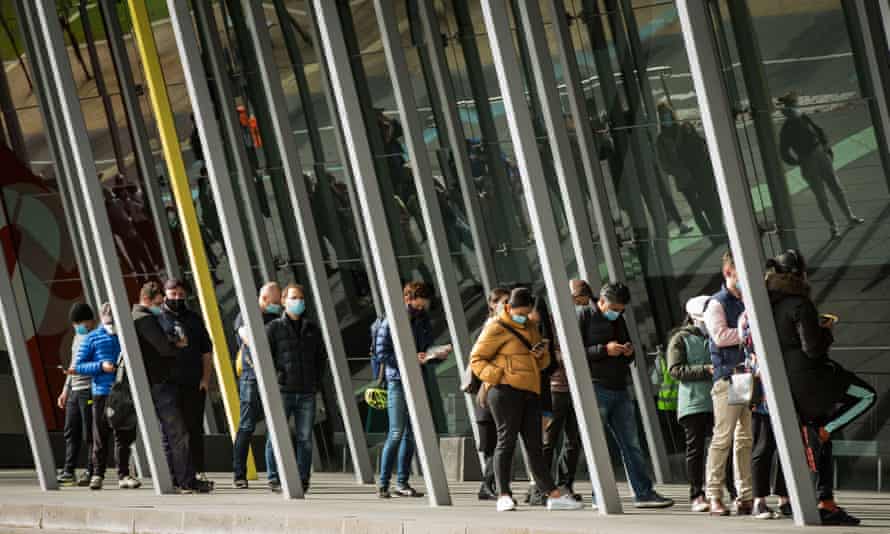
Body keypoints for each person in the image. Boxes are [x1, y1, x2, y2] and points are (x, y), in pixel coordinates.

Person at [765, 249, 875, 525]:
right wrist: (824, 329)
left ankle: (812, 501)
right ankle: (825, 433)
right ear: (799, 274)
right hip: (813, 379)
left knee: (811, 442)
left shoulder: (767, 303)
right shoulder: (800, 303)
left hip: (785, 384)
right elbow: (812, 349)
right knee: (866, 396)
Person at [470, 287, 583, 512]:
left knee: (535, 445)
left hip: (530, 391)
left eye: (527, 312)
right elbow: (477, 359)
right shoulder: (495, 326)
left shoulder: (531, 327)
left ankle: (552, 494)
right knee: (506, 441)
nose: (524, 315)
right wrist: (500, 376)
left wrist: (542, 356)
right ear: (509, 307)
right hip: (504, 392)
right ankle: (503, 494)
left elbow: (539, 364)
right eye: (520, 311)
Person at [580, 283, 674, 509]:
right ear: (601, 301)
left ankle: (643, 492)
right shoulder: (584, 315)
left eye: (620, 309)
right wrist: (605, 349)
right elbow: (576, 351)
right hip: (596, 387)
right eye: (613, 307)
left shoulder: (618, 319)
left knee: (631, 444)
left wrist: (627, 351)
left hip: (620, 387)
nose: (616, 312)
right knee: (598, 445)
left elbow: (628, 350)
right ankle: (599, 495)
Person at [132, 282, 212, 493]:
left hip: (167, 382)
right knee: (177, 434)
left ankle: (177, 479)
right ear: (149, 300)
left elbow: (206, 348)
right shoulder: (145, 319)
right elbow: (164, 348)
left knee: (173, 434)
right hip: (161, 383)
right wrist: (179, 344)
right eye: (161, 301)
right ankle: (185, 480)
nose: (164, 304)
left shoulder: (141, 316)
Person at [374, 281, 442, 499]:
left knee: (412, 434)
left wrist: (433, 355)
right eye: (423, 300)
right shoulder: (392, 318)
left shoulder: (422, 319)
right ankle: (383, 483)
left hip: (417, 379)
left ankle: (402, 482)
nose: (425, 305)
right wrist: (408, 360)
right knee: (396, 431)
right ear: (412, 297)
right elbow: (381, 352)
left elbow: (426, 347)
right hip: (397, 380)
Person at [667, 296, 735, 513]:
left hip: (719, 400)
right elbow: (675, 370)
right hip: (694, 403)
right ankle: (697, 494)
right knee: (695, 449)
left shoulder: (717, 335)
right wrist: (705, 369)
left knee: (725, 445)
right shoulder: (680, 339)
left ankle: (733, 490)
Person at [703, 251, 753, 515]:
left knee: (745, 438)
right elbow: (720, 337)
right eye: (739, 273)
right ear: (728, 273)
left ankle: (745, 496)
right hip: (728, 376)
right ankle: (714, 495)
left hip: (748, 376)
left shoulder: (749, 300)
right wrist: (749, 331)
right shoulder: (717, 303)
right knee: (723, 438)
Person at [264, 284, 326, 493]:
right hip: (283, 390)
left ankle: (303, 478)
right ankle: (274, 477)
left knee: (305, 438)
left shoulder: (312, 329)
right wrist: (276, 379)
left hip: (307, 391)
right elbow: (266, 358)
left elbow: (320, 359)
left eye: (300, 298)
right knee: (277, 435)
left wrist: (316, 382)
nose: (298, 301)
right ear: (283, 300)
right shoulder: (274, 328)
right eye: (293, 297)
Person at [778, 91, 864, 238]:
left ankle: (842, 222)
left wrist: (800, 160)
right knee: (827, 193)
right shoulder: (793, 124)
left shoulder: (794, 123)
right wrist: (824, 149)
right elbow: (786, 151)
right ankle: (841, 222)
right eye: (793, 104)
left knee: (829, 192)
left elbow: (786, 152)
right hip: (814, 155)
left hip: (813, 156)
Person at [72, 303, 139, 491]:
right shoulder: (92, 338)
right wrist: (101, 366)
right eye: (107, 314)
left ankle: (124, 474)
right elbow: (79, 366)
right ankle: (98, 474)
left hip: (124, 392)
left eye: (113, 314)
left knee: (124, 435)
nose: (110, 317)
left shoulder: (127, 336)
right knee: (100, 435)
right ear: (101, 316)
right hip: (101, 392)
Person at [158, 279, 213, 483]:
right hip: (168, 384)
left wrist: (205, 379)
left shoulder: (194, 319)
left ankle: (197, 471)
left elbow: (206, 351)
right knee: (170, 431)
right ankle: (172, 474)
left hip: (193, 383)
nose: (177, 298)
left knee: (194, 429)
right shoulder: (159, 319)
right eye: (173, 294)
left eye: (181, 294)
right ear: (165, 294)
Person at [737, 311, 789, 520]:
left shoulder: (756, 314)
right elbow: (751, 347)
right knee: (764, 444)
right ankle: (760, 500)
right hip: (762, 389)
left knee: (782, 445)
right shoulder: (751, 315)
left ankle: (784, 497)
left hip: (773, 387)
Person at [232, 282, 282, 489]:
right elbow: (248, 338)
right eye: (276, 301)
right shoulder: (247, 315)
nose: (279, 305)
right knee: (246, 425)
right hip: (252, 377)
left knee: (276, 426)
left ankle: (275, 475)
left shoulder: (276, 318)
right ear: (264, 299)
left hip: (274, 376)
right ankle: (239, 474)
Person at [541, 281, 587, 499]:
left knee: (573, 440)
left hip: (576, 387)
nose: (578, 303)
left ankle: (565, 484)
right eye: (576, 298)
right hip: (555, 388)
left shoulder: (580, 321)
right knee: (549, 439)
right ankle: (544, 487)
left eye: (580, 299)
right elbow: (546, 350)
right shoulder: (549, 321)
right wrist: (558, 354)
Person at [656, 102, 726, 244]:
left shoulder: (683, 128)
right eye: (663, 116)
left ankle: (719, 231)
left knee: (707, 203)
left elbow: (700, 145)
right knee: (696, 208)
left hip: (697, 173)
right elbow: (665, 165)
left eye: (668, 114)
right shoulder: (661, 139)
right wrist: (679, 171)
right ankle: (711, 235)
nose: (666, 118)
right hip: (684, 179)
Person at [475, 287, 510, 500]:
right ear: (492, 304)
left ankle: (490, 485)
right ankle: (487, 485)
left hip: (497, 388)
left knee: (499, 440)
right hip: (489, 388)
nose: (507, 306)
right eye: (503, 301)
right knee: (495, 441)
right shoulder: (492, 326)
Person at [57, 303, 96, 486]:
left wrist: (77, 370)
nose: (77, 326)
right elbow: (73, 363)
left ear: (90, 322)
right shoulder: (77, 336)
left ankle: (91, 469)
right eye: (75, 323)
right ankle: (68, 470)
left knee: (89, 432)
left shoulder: (95, 338)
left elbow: (98, 365)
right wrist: (65, 389)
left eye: (80, 323)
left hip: (89, 389)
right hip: (74, 390)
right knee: (70, 431)